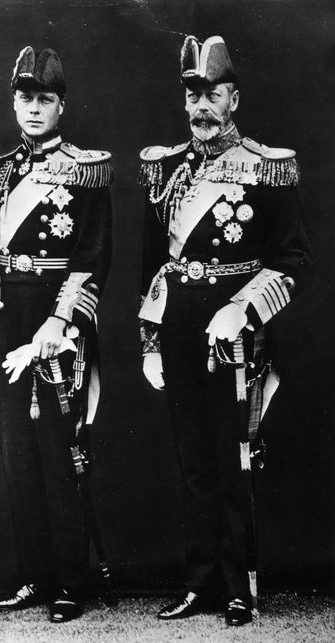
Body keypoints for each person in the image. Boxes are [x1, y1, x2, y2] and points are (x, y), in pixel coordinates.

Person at [138, 35, 313, 626]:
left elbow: (294, 262)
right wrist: (151, 340)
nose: (201, 107)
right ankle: (198, 583)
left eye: (212, 94)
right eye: (192, 96)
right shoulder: (163, 169)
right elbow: (149, 265)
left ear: (233, 98)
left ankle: (239, 588)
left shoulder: (268, 167)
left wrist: (243, 307)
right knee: (192, 460)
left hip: (235, 332)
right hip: (181, 326)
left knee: (234, 459)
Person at [0, 46, 112, 622]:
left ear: (61, 106)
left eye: (44, 99)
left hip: (57, 318)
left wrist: (60, 321)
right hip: (3, 318)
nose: (32, 108)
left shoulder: (87, 168)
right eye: (24, 97)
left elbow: (94, 255)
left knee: (59, 448)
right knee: (14, 454)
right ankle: (33, 579)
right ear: (14, 102)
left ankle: (71, 582)